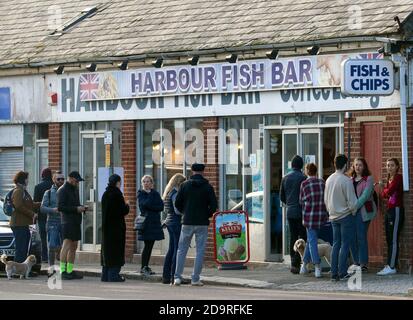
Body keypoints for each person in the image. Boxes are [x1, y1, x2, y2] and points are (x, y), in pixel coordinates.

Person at [173, 163, 218, 287]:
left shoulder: (184, 185)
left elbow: (177, 203)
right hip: (202, 223)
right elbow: (214, 206)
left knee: (181, 249)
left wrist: (185, 212)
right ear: (203, 172)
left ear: (192, 171)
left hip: (187, 221)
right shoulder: (208, 187)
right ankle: (195, 278)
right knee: (200, 251)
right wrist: (206, 214)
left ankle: (177, 277)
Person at [324, 154, 359, 281]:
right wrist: (353, 211)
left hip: (333, 216)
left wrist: (330, 212)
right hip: (345, 216)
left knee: (336, 244)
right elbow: (352, 202)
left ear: (334, 164)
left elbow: (326, 200)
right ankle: (342, 271)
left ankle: (334, 273)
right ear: (345, 165)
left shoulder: (329, 180)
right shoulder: (346, 181)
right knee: (345, 244)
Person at [299, 163, 328, 278]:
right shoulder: (322, 182)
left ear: (306, 171)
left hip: (309, 217)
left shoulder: (304, 184)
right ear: (316, 171)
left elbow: (301, 201)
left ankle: (317, 266)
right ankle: (304, 265)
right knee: (311, 240)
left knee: (312, 242)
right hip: (321, 216)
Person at [348, 158, 377, 273]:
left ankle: (363, 263)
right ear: (353, 167)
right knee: (352, 237)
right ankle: (356, 262)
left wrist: (354, 206)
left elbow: (365, 196)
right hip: (351, 211)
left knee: (361, 236)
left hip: (363, 211)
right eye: (356, 165)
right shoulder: (350, 180)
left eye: (360, 165)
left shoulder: (368, 179)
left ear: (364, 166)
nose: (358, 167)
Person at [57, 171, 87, 280]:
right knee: (66, 245)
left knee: (74, 246)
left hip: (75, 221)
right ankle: (62, 271)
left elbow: (75, 204)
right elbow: (60, 207)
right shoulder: (62, 190)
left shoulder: (75, 189)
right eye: (76, 180)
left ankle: (69, 270)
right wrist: (76, 209)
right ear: (70, 178)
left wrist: (82, 207)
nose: (77, 182)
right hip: (67, 222)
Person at [280, 155, 307, 274]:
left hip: (290, 211)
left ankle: (293, 264)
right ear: (301, 166)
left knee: (293, 237)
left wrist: (290, 203)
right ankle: (303, 262)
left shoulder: (285, 178)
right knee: (303, 237)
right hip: (302, 211)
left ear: (292, 165)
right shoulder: (304, 178)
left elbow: (282, 197)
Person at [377, 158, 404, 276]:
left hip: (396, 210)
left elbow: (388, 192)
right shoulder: (389, 179)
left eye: (392, 165)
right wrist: (385, 189)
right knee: (389, 238)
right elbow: (384, 194)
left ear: (397, 167)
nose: (389, 167)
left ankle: (392, 266)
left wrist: (384, 188)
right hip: (389, 210)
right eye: (388, 166)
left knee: (393, 239)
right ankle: (389, 265)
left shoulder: (398, 177)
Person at [101, 174, 130, 282]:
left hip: (106, 228)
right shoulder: (117, 195)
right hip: (116, 228)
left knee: (107, 251)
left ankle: (105, 275)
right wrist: (127, 205)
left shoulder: (105, 194)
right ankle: (113, 275)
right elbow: (122, 211)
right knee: (116, 251)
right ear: (118, 182)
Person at [10, 171, 40, 265]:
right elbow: (18, 206)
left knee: (25, 248)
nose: (28, 180)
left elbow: (29, 205)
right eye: (27, 178)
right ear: (23, 180)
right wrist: (32, 214)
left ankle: (23, 270)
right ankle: (17, 270)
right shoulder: (18, 191)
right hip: (18, 224)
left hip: (23, 224)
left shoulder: (23, 190)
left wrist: (41, 204)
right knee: (21, 248)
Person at [161, 173, 186, 284]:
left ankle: (166, 276)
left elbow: (167, 210)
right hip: (176, 222)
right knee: (177, 249)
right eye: (183, 183)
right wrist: (185, 212)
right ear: (179, 183)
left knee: (171, 249)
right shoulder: (176, 193)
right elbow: (177, 210)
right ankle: (174, 276)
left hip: (170, 222)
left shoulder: (168, 193)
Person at [137, 175, 164, 276]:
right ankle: (143, 267)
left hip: (154, 223)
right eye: (144, 181)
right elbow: (144, 205)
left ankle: (146, 266)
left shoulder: (155, 193)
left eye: (148, 181)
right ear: (142, 183)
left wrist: (152, 206)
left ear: (152, 183)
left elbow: (161, 206)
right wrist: (151, 197)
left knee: (150, 246)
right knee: (147, 246)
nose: (146, 183)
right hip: (146, 224)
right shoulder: (141, 194)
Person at [40, 170, 65, 276]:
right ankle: (51, 269)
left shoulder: (67, 191)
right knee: (52, 246)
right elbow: (42, 208)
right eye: (58, 179)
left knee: (65, 247)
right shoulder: (48, 192)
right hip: (52, 222)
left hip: (65, 221)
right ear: (54, 180)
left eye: (63, 179)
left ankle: (64, 270)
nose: (61, 181)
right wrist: (53, 210)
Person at [34, 168, 53, 263]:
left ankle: (44, 256)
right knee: (52, 237)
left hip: (42, 215)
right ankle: (52, 257)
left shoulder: (38, 186)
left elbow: (35, 202)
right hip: (53, 215)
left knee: (43, 237)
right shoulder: (53, 186)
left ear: (42, 175)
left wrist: (35, 214)